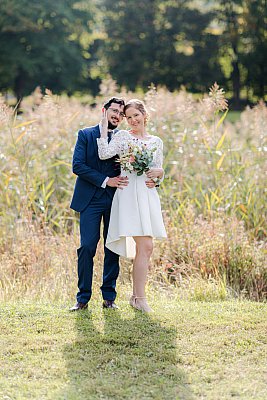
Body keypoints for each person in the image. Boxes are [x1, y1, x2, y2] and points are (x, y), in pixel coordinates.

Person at [97, 99, 167, 312]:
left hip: (146, 194)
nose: (133, 120)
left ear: (145, 115)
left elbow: (157, 172)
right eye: (128, 117)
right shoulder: (123, 137)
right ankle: (140, 298)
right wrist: (102, 128)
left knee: (145, 247)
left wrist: (160, 175)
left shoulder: (156, 141)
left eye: (136, 115)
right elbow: (104, 153)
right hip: (128, 194)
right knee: (145, 246)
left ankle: (137, 297)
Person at [69, 97, 129, 311]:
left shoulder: (124, 138)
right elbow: (78, 166)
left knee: (112, 247)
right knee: (86, 247)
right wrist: (106, 181)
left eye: (121, 113)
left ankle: (109, 298)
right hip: (90, 200)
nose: (117, 115)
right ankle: (82, 298)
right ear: (104, 110)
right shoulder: (85, 134)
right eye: (114, 110)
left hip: (116, 199)